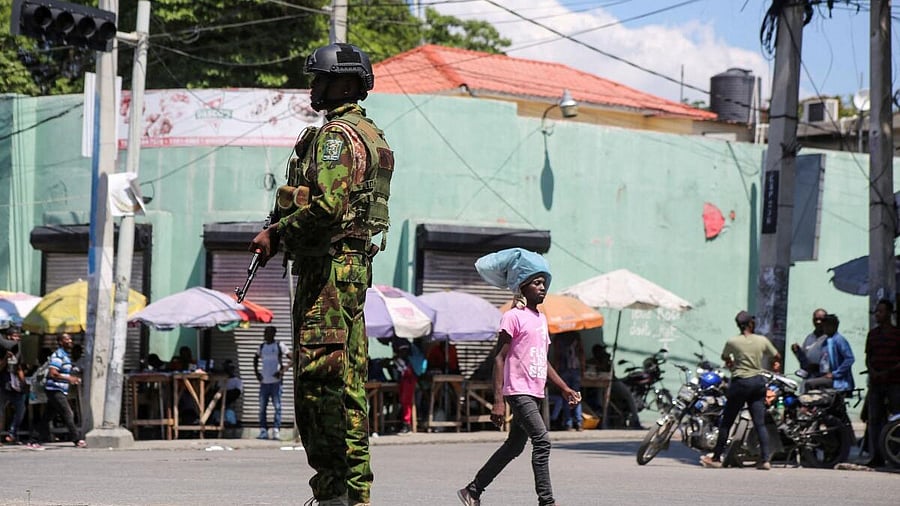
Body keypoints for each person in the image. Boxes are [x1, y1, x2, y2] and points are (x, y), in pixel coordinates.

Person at [249, 42, 392, 506]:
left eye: (321, 79)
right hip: (351, 269)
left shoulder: (335, 137)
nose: (313, 87)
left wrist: (277, 232)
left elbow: (329, 207)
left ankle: (334, 492)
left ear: (346, 84)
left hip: (328, 272)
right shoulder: (370, 134)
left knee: (319, 385)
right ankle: (354, 493)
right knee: (348, 385)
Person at [458, 249, 580, 506]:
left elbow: (542, 360)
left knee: (514, 446)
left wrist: (564, 388)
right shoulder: (512, 317)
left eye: (544, 283)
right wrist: (498, 401)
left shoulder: (541, 319)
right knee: (542, 441)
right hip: (518, 391)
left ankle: (473, 490)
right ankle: (546, 502)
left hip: (535, 391)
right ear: (523, 286)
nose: (542, 287)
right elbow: (499, 358)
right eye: (537, 283)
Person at [700, 311, 781, 470]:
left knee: (726, 422)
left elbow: (725, 357)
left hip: (740, 383)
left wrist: (731, 363)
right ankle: (765, 460)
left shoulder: (733, 341)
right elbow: (776, 355)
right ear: (751, 323)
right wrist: (775, 364)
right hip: (757, 382)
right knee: (760, 423)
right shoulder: (761, 340)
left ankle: (716, 458)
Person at [30, 333, 85, 448]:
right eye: (66, 339)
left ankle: (34, 440)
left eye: (70, 339)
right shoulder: (58, 355)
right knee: (68, 413)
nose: (70, 341)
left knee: (47, 417)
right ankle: (77, 439)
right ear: (60, 342)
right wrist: (69, 378)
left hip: (58, 390)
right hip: (55, 389)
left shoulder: (65, 355)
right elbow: (53, 373)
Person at [865, 299, 900, 467]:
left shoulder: (897, 334)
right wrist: (873, 371)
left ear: (889, 313)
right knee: (875, 420)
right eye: (876, 311)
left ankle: (895, 453)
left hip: (894, 382)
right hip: (876, 383)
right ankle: (877, 456)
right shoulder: (873, 335)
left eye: (881, 311)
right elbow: (868, 357)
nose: (877, 315)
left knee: (896, 419)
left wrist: (888, 371)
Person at [583, 343, 641, 429]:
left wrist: (604, 363)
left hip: (613, 382)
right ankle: (601, 419)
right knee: (600, 396)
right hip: (599, 384)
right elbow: (588, 367)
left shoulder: (607, 360)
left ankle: (635, 419)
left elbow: (610, 373)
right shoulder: (593, 361)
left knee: (628, 395)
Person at [804, 314, 854, 393]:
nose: (824, 328)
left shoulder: (839, 340)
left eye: (826, 326)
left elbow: (850, 359)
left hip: (838, 381)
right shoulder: (825, 340)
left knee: (809, 384)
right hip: (825, 375)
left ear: (833, 326)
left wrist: (835, 374)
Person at [254, 326, 286, 440]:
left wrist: (282, 371)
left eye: (267, 333)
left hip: (276, 383)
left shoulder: (279, 345)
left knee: (277, 407)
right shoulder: (262, 346)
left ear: (273, 334)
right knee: (262, 408)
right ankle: (263, 431)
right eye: (265, 332)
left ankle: (276, 430)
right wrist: (257, 373)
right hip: (264, 382)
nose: (265, 335)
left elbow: (292, 357)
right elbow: (255, 358)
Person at [551, 331, 584, 431]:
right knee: (576, 395)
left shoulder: (558, 337)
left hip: (563, 370)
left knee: (566, 396)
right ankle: (579, 422)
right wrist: (583, 369)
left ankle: (568, 423)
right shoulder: (576, 335)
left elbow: (557, 356)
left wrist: (555, 372)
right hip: (575, 369)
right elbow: (581, 352)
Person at [0, 327, 27, 444]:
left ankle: (12, 434)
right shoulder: (2, 349)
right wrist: (6, 358)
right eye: (15, 336)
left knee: (21, 410)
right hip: (3, 385)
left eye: (18, 336)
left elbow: (19, 368)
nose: (17, 338)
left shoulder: (18, 350)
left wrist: (23, 382)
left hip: (15, 386)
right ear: (8, 337)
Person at [791, 308, 828, 378]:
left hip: (823, 377)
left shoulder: (830, 339)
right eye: (816, 319)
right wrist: (798, 351)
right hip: (810, 377)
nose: (818, 322)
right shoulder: (809, 338)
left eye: (821, 319)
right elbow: (804, 360)